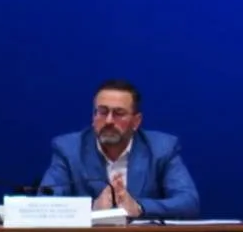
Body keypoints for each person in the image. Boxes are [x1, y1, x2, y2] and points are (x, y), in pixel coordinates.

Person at [40, 79, 200, 219]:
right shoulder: (69, 149)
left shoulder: (161, 148)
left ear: (136, 121)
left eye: (118, 113)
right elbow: (45, 205)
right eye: (102, 112)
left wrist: (139, 207)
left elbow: (188, 202)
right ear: (93, 117)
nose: (109, 121)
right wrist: (92, 208)